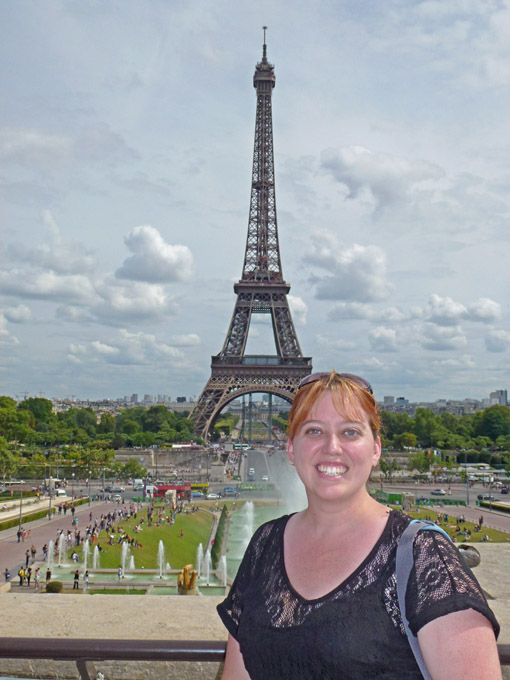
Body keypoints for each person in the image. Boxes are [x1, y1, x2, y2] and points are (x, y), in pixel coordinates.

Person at [217, 371, 501, 680]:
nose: (332, 447)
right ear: (291, 449)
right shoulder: (264, 544)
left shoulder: (424, 556)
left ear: (376, 449)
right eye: (313, 431)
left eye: (350, 432)